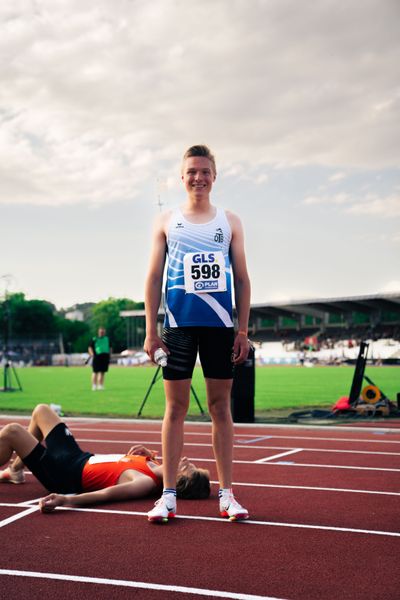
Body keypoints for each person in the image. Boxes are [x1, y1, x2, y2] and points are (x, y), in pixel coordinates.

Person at [144, 144, 251, 523]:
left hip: (221, 327)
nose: (198, 177)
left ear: (214, 176)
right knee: (175, 409)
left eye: (205, 171)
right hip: (178, 326)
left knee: (222, 409)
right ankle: (168, 496)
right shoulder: (167, 222)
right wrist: (150, 332)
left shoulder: (230, 221)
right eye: (192, 171)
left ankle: (227, 495)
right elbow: (154, 277)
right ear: (182, 176)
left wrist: (243, 330)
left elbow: (240, 278)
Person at [0, 404, 210, 518]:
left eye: (186, 467)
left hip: (63, 474)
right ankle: (16, 470)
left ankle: (14, 466)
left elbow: (106, 494)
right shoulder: (152, 463)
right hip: (77, 456)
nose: (185, 459)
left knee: (12, 432)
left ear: (178, 481)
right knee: (42, 411)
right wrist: (146, 455)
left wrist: (66, 500)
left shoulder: (144, 482)